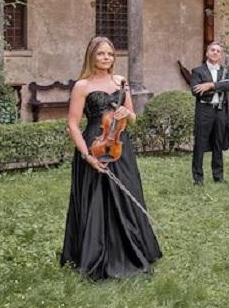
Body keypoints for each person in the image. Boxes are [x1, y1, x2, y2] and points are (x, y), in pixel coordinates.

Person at [61, 36, 161, 280]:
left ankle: (131, 249)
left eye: (110, 54)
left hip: (120, 146)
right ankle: (95, 255)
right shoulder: (82, 85)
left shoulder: (120, 82)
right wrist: (87, 155)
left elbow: (133, 118)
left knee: (128, 193)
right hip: (95, 145)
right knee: (96, 199)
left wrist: (127, 113)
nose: (106, 58)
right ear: (91, 56)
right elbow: (73, 124)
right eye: (101, 53)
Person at [190, 41, 229, 185]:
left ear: (220, 56)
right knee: (200, 144)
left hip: (220, 111)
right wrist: (220, 87)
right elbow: (195, 91)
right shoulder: (198, 71)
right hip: (205, 110)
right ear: (207, 53)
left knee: (218, 143)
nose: (215, 52)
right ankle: (198, 178)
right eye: (213, 50)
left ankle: (218, 176)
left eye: (218, 51)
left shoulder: (225, 71)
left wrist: (210, 85)